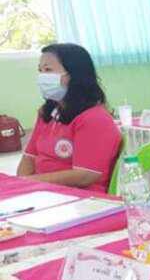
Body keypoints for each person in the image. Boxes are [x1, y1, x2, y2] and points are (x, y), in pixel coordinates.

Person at [17, 43, 121, 192]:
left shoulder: (94, 118)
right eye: (40, 70)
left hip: (81, 196)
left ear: (74, 75)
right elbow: (29, 157)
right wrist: (21, 185)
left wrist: (30, 183)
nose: (42, 77)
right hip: (44, 191)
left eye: (48, 70)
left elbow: (86, 175)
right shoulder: (47, 112)